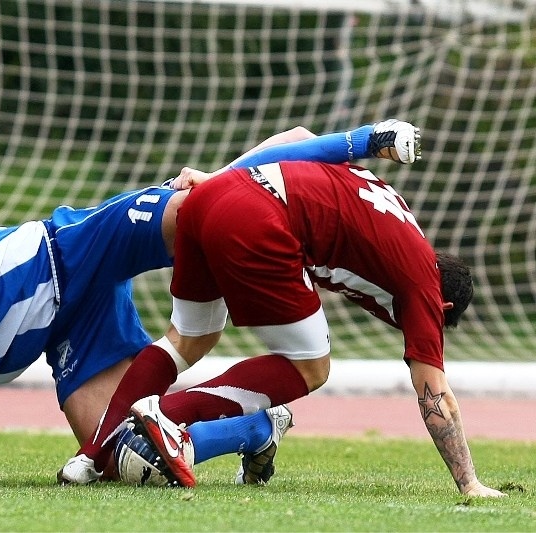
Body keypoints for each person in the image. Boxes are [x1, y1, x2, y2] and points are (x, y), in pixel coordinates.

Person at [0, 119, 415, 481]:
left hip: (68, 251)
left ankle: (331, 143)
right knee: (114, 457)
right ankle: (255, 429)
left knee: (193, 207)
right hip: (71, 330)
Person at [60, 127, 506, 498]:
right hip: (259, 221)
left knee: (188, 338)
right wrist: (469, 484)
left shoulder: (391, 204)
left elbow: (297, 137)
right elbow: (435, 395)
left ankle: (92, 453)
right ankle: (168, 417)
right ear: (442, 305)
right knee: (312, 367)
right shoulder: (423, 286)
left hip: (211, 196)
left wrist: (217, 177)